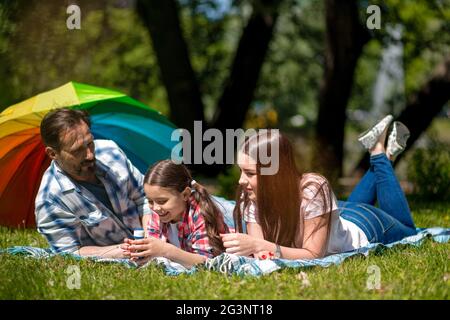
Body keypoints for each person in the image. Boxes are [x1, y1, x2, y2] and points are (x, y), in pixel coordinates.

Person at [220, 115, 417, 260]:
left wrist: (258, 245)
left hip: (365, 226)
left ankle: (378, 154)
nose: (240, 181)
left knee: (409, 231)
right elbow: (263, 255)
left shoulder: (312, 189)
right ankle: (384, 154)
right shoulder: (253, 197)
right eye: (241, 171)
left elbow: (312, 254)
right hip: (331, 217)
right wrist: (254, 247)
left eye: (250, 173)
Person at [35, 108, 150, 258]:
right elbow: (70, 253)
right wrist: (130, 250)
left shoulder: (110, 151)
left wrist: (150, 238)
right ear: (52, 154)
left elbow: (145, 198)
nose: (90, 155)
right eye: (77, 150)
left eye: (90, 143)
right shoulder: (50, 200)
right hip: (120, 255)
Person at [122, 160, 230, 268]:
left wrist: (166, 250)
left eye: (162, 201)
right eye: (150, 201)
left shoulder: (200, 214)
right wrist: (141, 252)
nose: (155, 208)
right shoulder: (158, 213)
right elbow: (155, 250)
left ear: (185, 194)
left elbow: (207, 263)